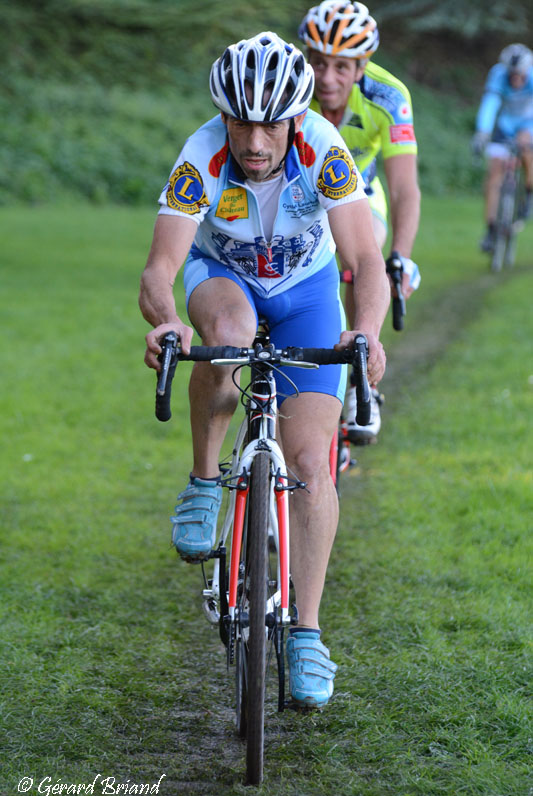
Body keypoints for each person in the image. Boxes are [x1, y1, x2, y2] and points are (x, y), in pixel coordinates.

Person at [139, 32, 389, 709]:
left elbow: (365, 261)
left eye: (269, 123)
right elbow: (161, 269)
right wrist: (166, 321)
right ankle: (201, 479)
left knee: (311, 461)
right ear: (222, 115)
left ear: (295, 118)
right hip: (224, 280)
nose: (253, 140)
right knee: (227, 335)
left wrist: (363, 332)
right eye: (240, 121)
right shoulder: (201, 156)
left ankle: (305, 632)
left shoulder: (324, 152)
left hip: (307, 293)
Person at [299, 1, 421, 445]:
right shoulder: (292, 89)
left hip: (359, 192)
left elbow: (405, 189)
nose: (327, 78)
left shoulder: (388, 98)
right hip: (298, 194)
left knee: (363, 258)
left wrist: (400, 258)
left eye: (342, 66)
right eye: (318, 63)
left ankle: (358, 381)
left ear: (362, 65)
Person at [471, 43, 533, 252]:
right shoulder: (498, 75)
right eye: (511, 74)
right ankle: (491, 228)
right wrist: (482, 132)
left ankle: (529, 193)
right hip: (506, 125)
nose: (515, 78)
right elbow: (490, 104)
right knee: (494, 173)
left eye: (519, 74)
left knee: (528, 154)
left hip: (529, 124)